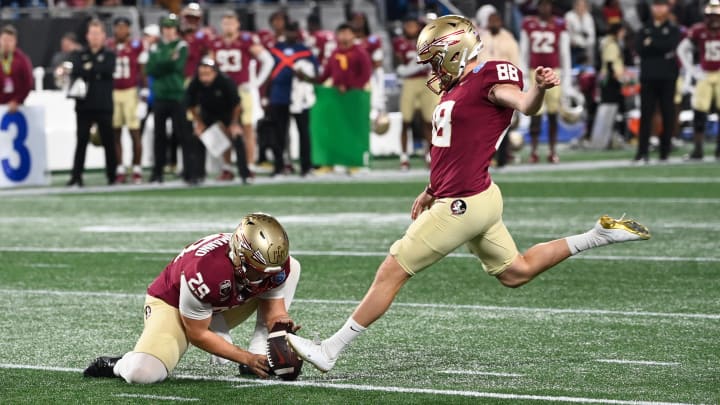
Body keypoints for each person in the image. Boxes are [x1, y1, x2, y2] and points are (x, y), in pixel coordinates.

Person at [285, 15, 651, 373]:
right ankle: (597, 235)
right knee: (516, 272)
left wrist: (539, 89)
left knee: (392, 270)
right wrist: (431, 188)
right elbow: (455, 147)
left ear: (453, 52)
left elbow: (523, 104)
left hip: (462, 204)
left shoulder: (487, 78)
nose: (432, 69)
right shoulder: (457, 86)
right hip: (479, 197)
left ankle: (329, 350)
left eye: (434, 60)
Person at [83, 213, 302, 383]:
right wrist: (243, 356)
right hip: (173, 306)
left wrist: (281, 323)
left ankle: (260, 351)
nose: (264, 278)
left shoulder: (273, 265)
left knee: (294, 267)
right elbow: (197, 334)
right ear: (238, 255)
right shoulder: (205, 270)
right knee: (142, 374)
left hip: (218, 302)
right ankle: (117, 363)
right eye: (257, 271)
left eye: (269, 271)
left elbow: (274, 308)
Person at [209, 10, 273, 181]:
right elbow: (209, 66)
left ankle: (249, 166)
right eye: (225, 22)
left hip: (242, 91)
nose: (228, 25)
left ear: (238, 24)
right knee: (224, 130)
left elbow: (268, 60)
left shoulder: (246, 40)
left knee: (247, 129)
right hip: (222, 93)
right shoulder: (215, 43)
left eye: (231, 22)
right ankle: (227, 167)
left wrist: (256, 82)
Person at [67, 19, 117, 187]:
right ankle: (76, 176)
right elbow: (77, 70)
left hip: (103, 104)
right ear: (87, 36)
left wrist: (90, 69)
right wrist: (94, 70)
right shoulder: (79, 54)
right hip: (84, 106)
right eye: (92, 33)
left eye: (98, 33)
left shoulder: (110, 55)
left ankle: (112, 175)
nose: (95, 37)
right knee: (81, 141)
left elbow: (106, 70)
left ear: (103, 36)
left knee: (109, 141)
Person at [520, 0, 572, 163]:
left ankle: (552, 150)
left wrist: (566, 78)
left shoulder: (559, 25)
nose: (545, 8)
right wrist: (525, 77)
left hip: (554, 71)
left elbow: (565, 54)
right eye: (542, 5)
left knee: (553, 114)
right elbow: (524, 52)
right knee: (535, 113)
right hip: (534, 71)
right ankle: (534, 150)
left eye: (547, 5)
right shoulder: (528, 24)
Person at [186, 58, 251, 184]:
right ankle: (197, 175)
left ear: (214, 72)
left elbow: (237, 105)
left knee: (237, 136)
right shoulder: (195, 83)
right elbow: (191, 105)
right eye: (201, 74)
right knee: (197, 137)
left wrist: (234, 123)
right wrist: (199, 123)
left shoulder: (225, 82)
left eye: (207, 74)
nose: (204, 77)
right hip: (207, 113)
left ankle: (245, 174)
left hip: (228, 112)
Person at [146, 14, 193, 184]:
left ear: (176, 29)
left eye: (171, 27)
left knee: (182, 135)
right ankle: (157, 172)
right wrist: (167, 62)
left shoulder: (181, 46)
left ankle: (188, 170)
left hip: (177, 95)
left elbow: (177, 66)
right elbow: (151, 69)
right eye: (166, 27)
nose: (168, 31)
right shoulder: (155, 47)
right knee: (159, 136)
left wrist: (161, 63)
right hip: (160, 96)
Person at [266, 21, 317, 177]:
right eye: (288, 31)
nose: (290, 34)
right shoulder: (275, 50)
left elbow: (315, 75)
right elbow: (268, 73)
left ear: (298, 32)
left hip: (300, 98)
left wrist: (304, 76)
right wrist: (266, 96)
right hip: (278, 95)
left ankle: (306, 166)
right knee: (278, 134)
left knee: (303, 132)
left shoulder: (305, 51)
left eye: (293, 31)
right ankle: (279, 166)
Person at [634, 0, 681, 163]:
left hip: (667, 76)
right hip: (648, 76)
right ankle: (642, 151)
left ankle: (665, 151)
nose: (658, 8)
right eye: (656, 5)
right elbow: (639, 48)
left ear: (668, 8)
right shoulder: (644, 28)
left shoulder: (673, 29)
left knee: (668, 113)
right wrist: (658, 44)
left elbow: (669, 45)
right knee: (646, 114)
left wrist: (652, 43)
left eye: (662, 5)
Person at [478, 7, 522, 168]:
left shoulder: (509, 39)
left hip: (504, 86)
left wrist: (516, 87)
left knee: (503, 123)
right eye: (491, 20)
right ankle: (486, 157)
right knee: (484, 124)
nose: (493, 23)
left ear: (501, 22)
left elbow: (516, 64)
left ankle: (502, 157)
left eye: (496, 20)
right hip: (485, 88)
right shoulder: (482, 39)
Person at [677, 0, 720, 161]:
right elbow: (681, 49)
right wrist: (692, 69)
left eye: (716, 15)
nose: (714, 19)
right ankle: (698, 149)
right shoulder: (698, 30)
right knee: (699, 112)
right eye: (711, 15)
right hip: (706, 73)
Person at [393, 16, 437, 171]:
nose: (411, 29)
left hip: (425, 81)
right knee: (406, 121)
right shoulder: (399, 42)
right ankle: (404, 157)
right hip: (409, 82)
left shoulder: (426, 41)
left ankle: (429, 156)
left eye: (413, 25)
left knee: (428, 121)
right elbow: (397, 64)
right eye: (408, 25)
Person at [108, 16, 144, 184]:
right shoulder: (109, 46)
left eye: (124, 27)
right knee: (115, 133)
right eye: (118, 27)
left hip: (130, 91)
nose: (121, 31)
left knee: (134, 132)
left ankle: (137, 168)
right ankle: (120, 168)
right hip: (114, 92)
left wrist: (143, 91)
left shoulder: (136, 46)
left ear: (129, 29)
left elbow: (142, 69)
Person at [316, 23, 372, 92]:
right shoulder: (335, 53)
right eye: (341, 33)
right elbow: (327, 73)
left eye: (347, 33)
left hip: (357, 92)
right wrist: (316, 82)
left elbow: (365, 75)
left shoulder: (361, 53)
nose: (344, 36)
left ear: (354, 35)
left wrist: (350, 87)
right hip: (337, 91)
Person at [0, 25, 32, 114]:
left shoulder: (22, 60)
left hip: (16, 106)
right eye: (4, 40)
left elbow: (28, 83)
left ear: (15, 41)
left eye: (10, 40)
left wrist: (17, 100)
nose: (6, 43)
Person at [565, 0, 596, 66]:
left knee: (587, 71)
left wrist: (585, 44)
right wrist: (574, 42)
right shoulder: (569, 16)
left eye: (583, 6)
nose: (581, 7)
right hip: (573, 49)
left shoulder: (589, 17)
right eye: (579, 5)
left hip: (586, 48)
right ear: (574, 6)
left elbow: (591, 36)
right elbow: (567, 34)